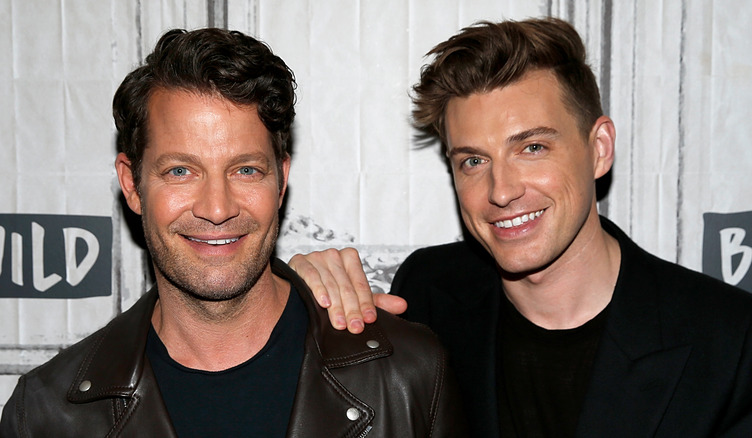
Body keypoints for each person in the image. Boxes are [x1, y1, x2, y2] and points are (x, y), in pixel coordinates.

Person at [290, 18, 752, 437]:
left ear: (600, 148)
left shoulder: (734, 343)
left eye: (532, 148)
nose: (501, 191)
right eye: (473, 160)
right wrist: (292, 306)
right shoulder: (430, 293)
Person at [0, 28, 465, 438]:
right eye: (181, 171)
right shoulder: (45, 413)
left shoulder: (409, 374)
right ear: (132, 185)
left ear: (280, 180)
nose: (217, 208)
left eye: (245, 169)